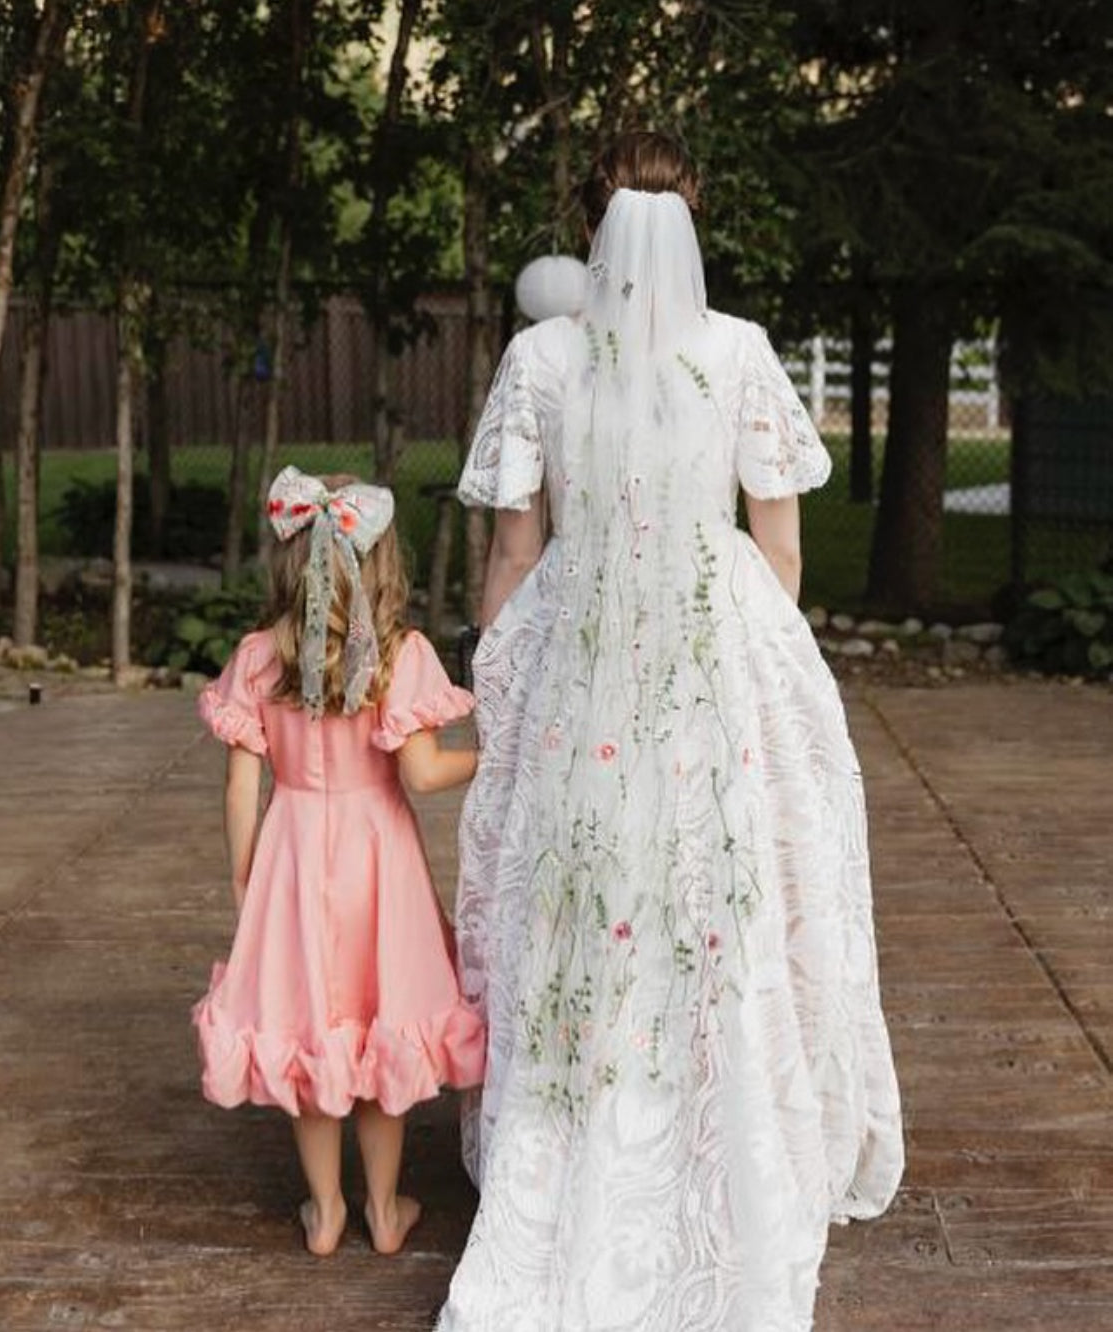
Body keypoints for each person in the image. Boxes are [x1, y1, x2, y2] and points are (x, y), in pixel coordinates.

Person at [441, 133, 903, 1330]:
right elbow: (780, 534)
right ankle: (730, 1135)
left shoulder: (542, 356)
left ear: (591, 222)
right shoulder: (740, 351)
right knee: (716, 887)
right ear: (693, 217)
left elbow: (513, 548)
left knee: (578, 884)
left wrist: (504, 677)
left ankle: (576, 1129)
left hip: (584, 652)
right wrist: (755, 651)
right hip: (712, 646)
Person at [192, 466, 485, 1259]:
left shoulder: (258, 657)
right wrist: (489, 759)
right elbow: (423, 775)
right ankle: (385, 1211)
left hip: (291, 852)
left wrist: (245, 874)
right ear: (383, 564)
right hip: (376, 859)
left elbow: (239, 783)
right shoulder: (402, 655)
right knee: (379, 1018)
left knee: (311, 1025)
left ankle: (324, 1213)